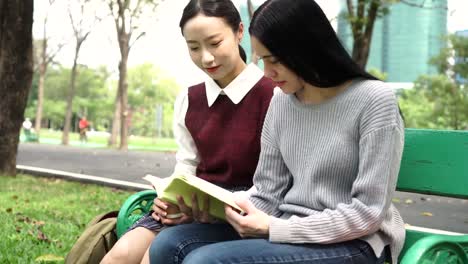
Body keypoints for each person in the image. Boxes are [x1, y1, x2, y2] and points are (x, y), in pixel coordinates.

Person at [147, 0, 405, 263]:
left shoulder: (374, 100)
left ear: (307, 48)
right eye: (261, 60)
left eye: (275, 61)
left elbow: (368, 213)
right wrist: (212, 209)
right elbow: (267, 193)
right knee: (167, 244)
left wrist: (274, 228)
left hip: (356, 242)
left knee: (205, 261)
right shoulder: (281, 101)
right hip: (284, 226)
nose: (267, 73)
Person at [101, 0, 275, 263]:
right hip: (189, 210)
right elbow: (187, 164)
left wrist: (211, 210)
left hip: (242, 215)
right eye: (194, 47)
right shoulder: (189, 98)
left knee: (152, 257)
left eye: (215, 43)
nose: (206, 57)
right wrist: (170, 198)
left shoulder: (273, 96)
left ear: (240, 32)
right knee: (122, 254)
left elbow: (275, 183)